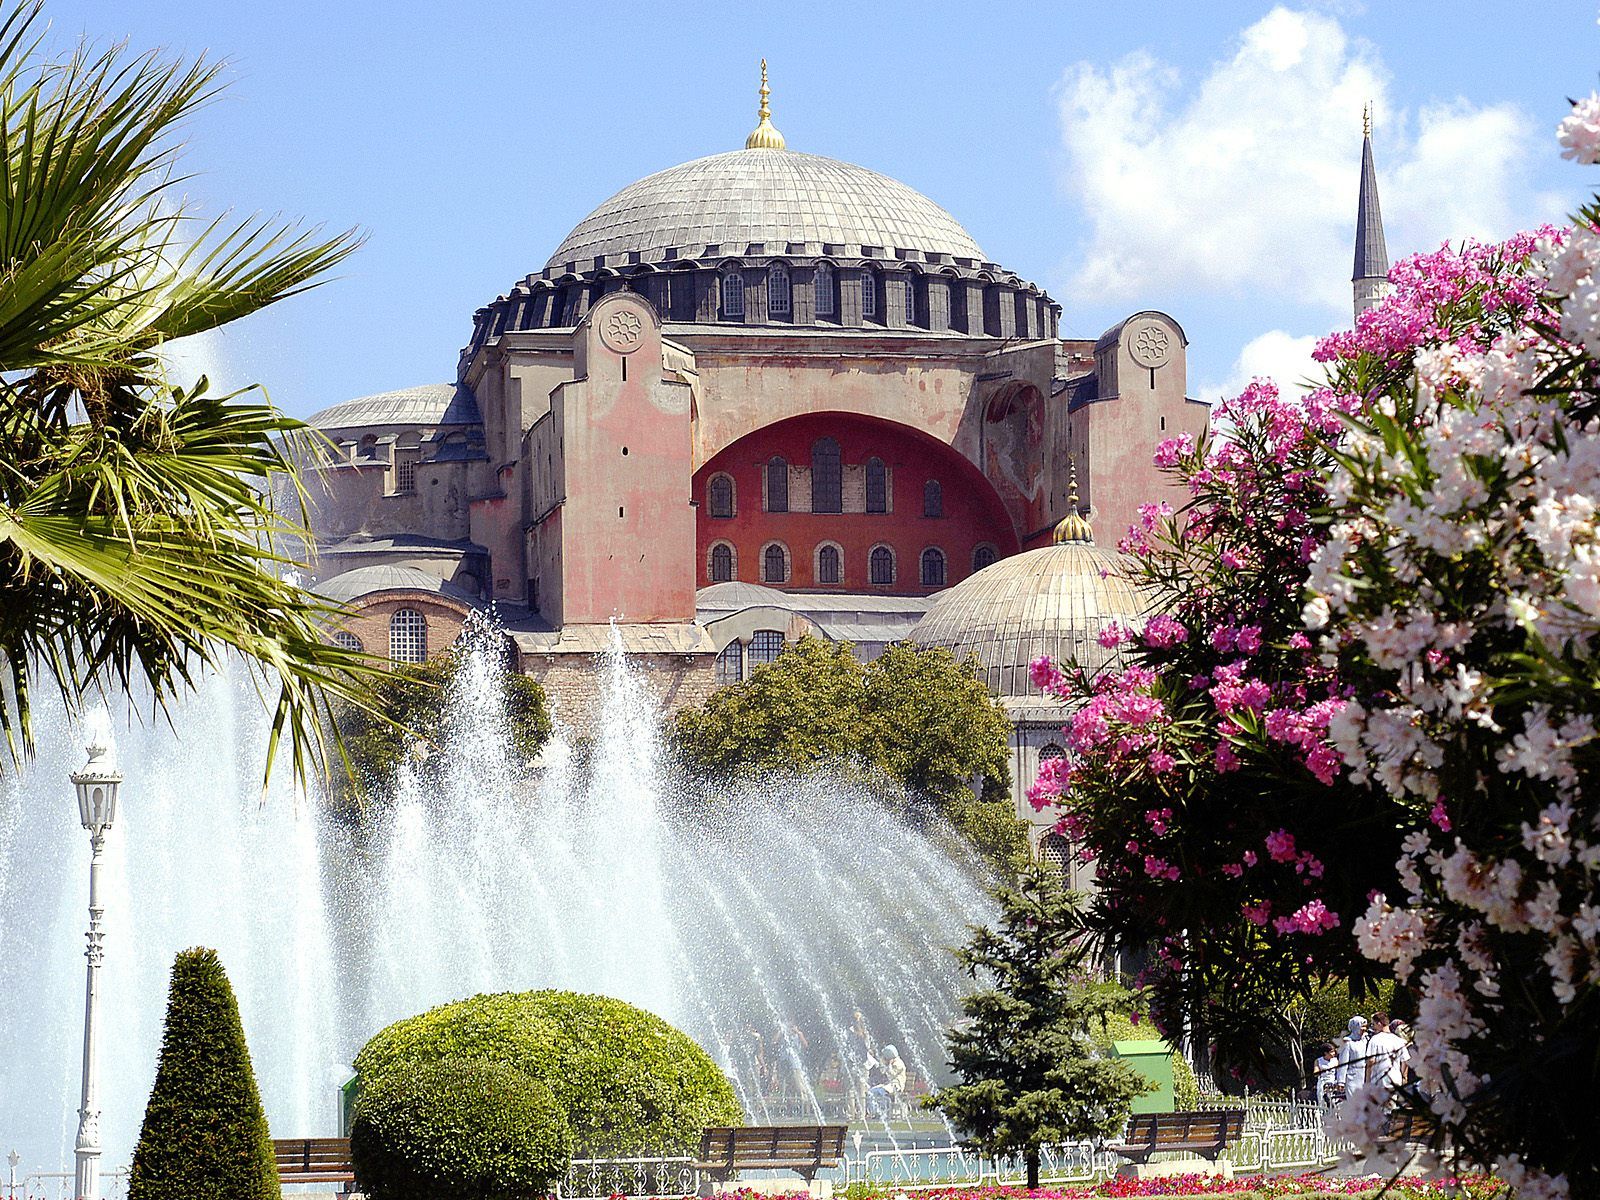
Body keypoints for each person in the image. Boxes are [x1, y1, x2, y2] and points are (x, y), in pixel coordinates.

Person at [1366, 1012, 1410, 1097]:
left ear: (1379, 1023)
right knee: (1391, 1108)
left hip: (1380, 1082)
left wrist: (1368, 1082)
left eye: (1373, 1024)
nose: (1373, 1027)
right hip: (1395, 1080)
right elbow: (1405, 1060)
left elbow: (1371, 1061)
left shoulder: (1374, 1040)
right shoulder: (1398, 1040)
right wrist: (1404, 1077)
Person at [867, 1044, 906, 1119]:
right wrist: (882, 1063)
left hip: (897, 1085)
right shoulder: (890, 1063)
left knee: (881, 1091)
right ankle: (875, 1111)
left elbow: (892, 1074)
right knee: (871, 1091)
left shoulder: (899, 1063)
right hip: (889, 1085)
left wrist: (890, 1065)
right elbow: (883, 1072)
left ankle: (885, 1111)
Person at [1336, 1016, 1370, 1094]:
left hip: (1365, 1076)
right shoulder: (1348, 1042)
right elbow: (1343, 1062)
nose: (1364, 1029)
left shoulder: (1366, 1040)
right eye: (1362, 1027)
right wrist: (1341, 1081)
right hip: (1353, 1078)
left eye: (1365, 1027)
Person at [1312, 1041, 1341, 1106]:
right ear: (1325, 1053)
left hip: (1333, 1082)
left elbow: (1340, 1071)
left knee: (1333, 1101)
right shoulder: (1318, 1061)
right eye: (1331, 1052)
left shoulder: (1335, 1060)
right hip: (1323, 1082)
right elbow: (1316, 1072)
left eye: (1334, 1051)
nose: (1333, 1053)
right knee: (1322, 1101)